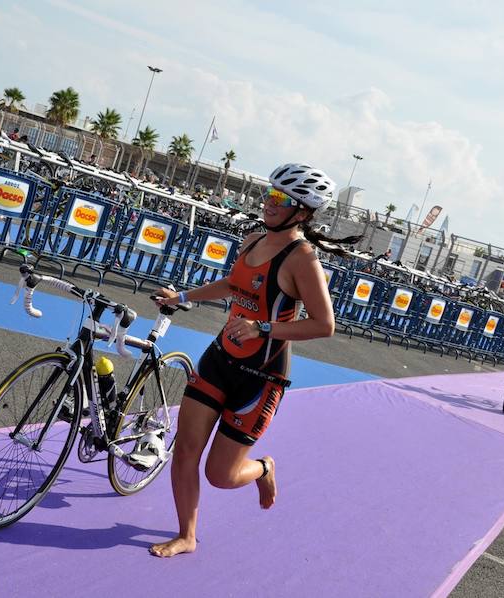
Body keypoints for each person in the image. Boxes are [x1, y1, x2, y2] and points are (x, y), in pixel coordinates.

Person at [149, 163, 361, 558]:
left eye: (280, 199)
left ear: (302, 211)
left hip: (260, 376)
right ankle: (187, 536)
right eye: (269, 193)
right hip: (219, 359)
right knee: (185, 451)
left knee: (221, 475)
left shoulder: (303, 260)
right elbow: (233, 285)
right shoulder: (251, 240)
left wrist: (263, 328)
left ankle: (263, 468)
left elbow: (324, 325)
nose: (269, 203)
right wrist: (183, 297)